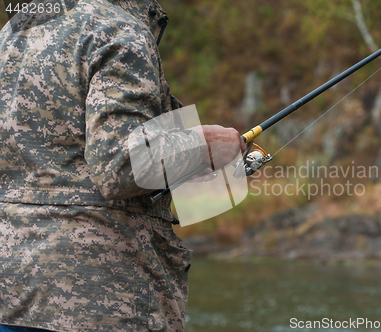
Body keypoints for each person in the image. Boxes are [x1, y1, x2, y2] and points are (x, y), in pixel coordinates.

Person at [0, 0, 244, 331]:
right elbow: (122, 165)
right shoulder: (118, 29)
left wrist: (179, 156)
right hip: (99, 298)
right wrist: (204, 146)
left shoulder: (15, 31)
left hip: (12, 292)